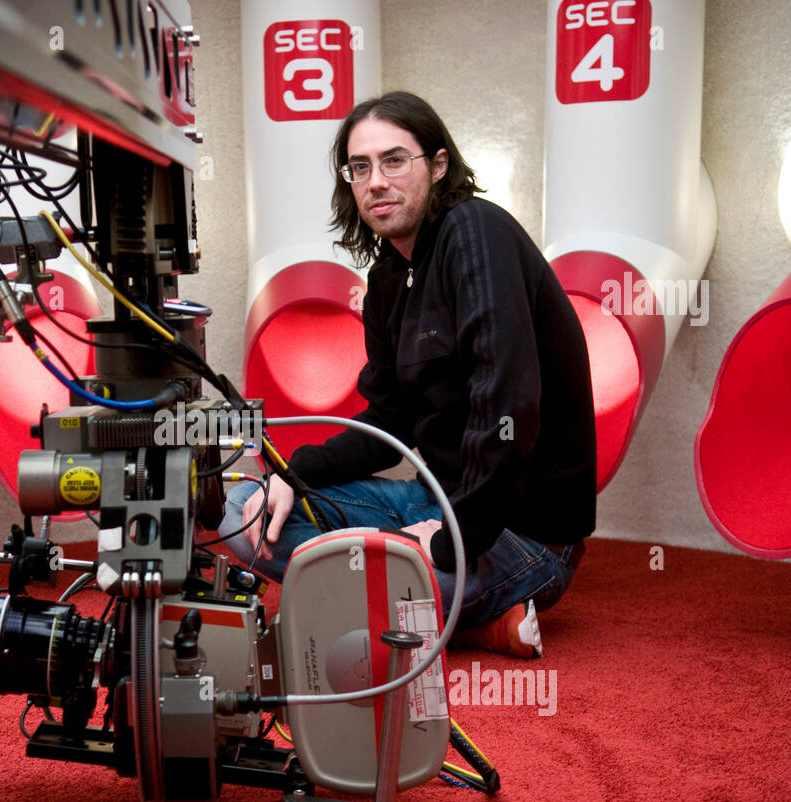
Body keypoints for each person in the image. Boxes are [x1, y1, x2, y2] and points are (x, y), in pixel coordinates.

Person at [217, 91, 596, 656]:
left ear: (437, 167)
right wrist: (293, 475)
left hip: (521, 534)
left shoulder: (476, 231)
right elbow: (389, 418)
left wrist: (451, 541)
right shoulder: (391, 276)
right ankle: (469, 620)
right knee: (237, 511)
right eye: (360, 167)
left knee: (382, 584)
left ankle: (422, 596)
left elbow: (508, 404)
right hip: (428, 501)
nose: (376, 181)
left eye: (395, 160)